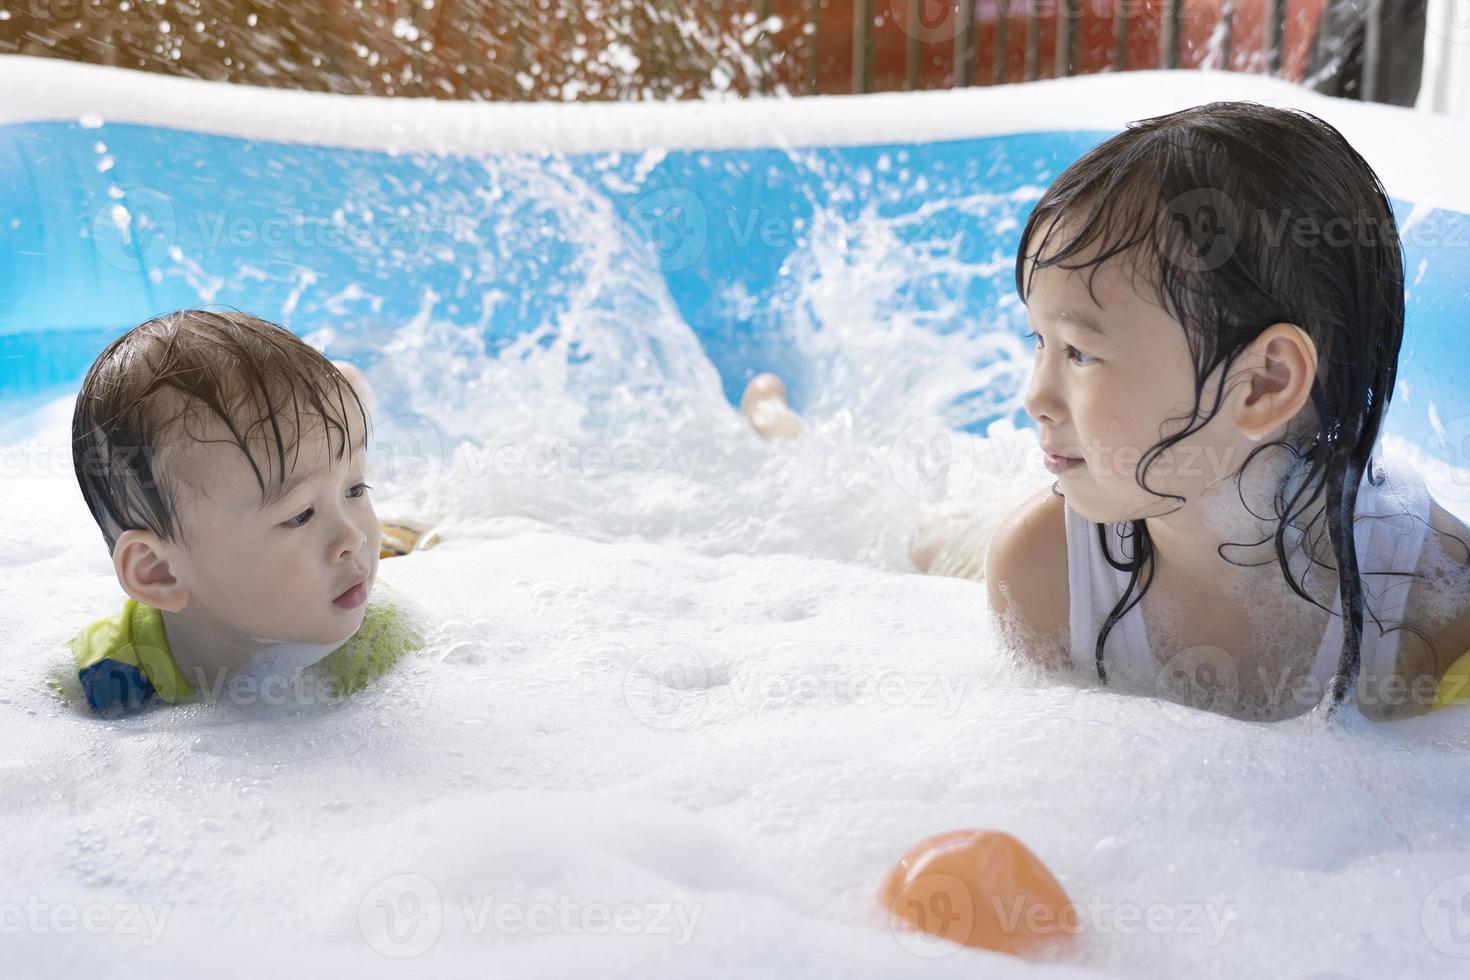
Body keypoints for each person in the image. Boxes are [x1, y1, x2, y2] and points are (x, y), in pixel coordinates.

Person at [747, 102, 1470, 722]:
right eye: (1040, 342)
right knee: (926, 535)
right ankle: (781, 428)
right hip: (1053, 523)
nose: (1033, 395)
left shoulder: (1428, 596)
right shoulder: (1041, 576)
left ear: (1263, 385)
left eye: (1080, 354)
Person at [66, 309, 424, 715]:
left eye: (357, 488)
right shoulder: (110, 674)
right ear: (159, 572)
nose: (354, 538)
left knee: (408, 538)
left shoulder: (380, 644)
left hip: (400, 546)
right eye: (299, 516)